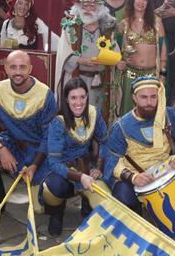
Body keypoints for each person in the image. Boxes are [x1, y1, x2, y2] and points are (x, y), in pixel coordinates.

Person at [104, 77, 175, 223]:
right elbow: (112, 161)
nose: (149, 102)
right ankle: (141, 217)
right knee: (122, 193)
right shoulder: (121, 126)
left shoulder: (168, 115)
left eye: (153, 97)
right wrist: (134, 177)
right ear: (134, 98)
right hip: (138, 177)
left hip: (166, 171)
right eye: (144, 97)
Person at [0, 50, 56, 221]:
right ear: (6, 68)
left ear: (30, 69)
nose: (17, 72)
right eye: (13, 67)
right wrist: (2, 149)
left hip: (38, 153)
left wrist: (34, 165)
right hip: (12, 146)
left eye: (22, 67)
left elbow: (49, 138)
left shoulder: (45, 94)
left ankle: (41, 187)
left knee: (39, 209)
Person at [41, 78, 109, 236]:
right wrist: (80, 177)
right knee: (52, 189)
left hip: (86, 165)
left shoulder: (93, 114)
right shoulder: (58, 123)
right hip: (63, 170)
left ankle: (87, 199)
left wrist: (99, 167)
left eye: (82, 97)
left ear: (87, 97)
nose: (78, 102)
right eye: (73, 97)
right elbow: (53, 162)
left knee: (106, 204)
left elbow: (105, 141)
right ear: (66, 99)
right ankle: (57, 213)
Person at [55, 0, 117, 112]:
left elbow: (115, 54)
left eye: (92, 6)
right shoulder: (70, 28)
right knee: (77, 112)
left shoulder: (106, 30)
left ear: (99, 9)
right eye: (85, 5)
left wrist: (107, 60)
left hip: (99, 82)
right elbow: (63, 53)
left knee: (97, 113)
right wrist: (82, 60)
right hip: (77, 79)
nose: (88, 9)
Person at [115, 0, 166, 116]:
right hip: (129, 75)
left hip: (151, 76)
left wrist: (163, 73)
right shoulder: (123, 24)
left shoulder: (157, 22)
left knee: (149, 111)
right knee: (128, 112)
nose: (141, 2)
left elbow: (163, 47)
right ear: (132, 0)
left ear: (148, 3)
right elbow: (115, 48)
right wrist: (118, 62)